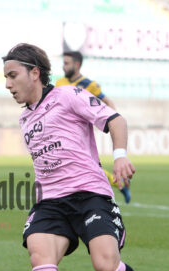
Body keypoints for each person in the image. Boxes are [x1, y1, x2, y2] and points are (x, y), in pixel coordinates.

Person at [3, 43, 164, 271]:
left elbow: (116, 120)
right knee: (40, 257)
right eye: (6, 77)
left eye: (12, 75)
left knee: (105, 265)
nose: (8, 84)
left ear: (34, 73)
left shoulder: (68, 95)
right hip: (50, 201)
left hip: (90, 194)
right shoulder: (25, 120)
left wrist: (120, 156)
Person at [56, 51, 131, 203]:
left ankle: (112, 186)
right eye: (63, 63)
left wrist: (112, 120)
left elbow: (107, 102)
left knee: (86, 166)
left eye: (67, 63)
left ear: (77, 64)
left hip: (80, 134)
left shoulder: (88, 85)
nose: (63, 67)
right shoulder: (59, 83)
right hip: (62, 132)